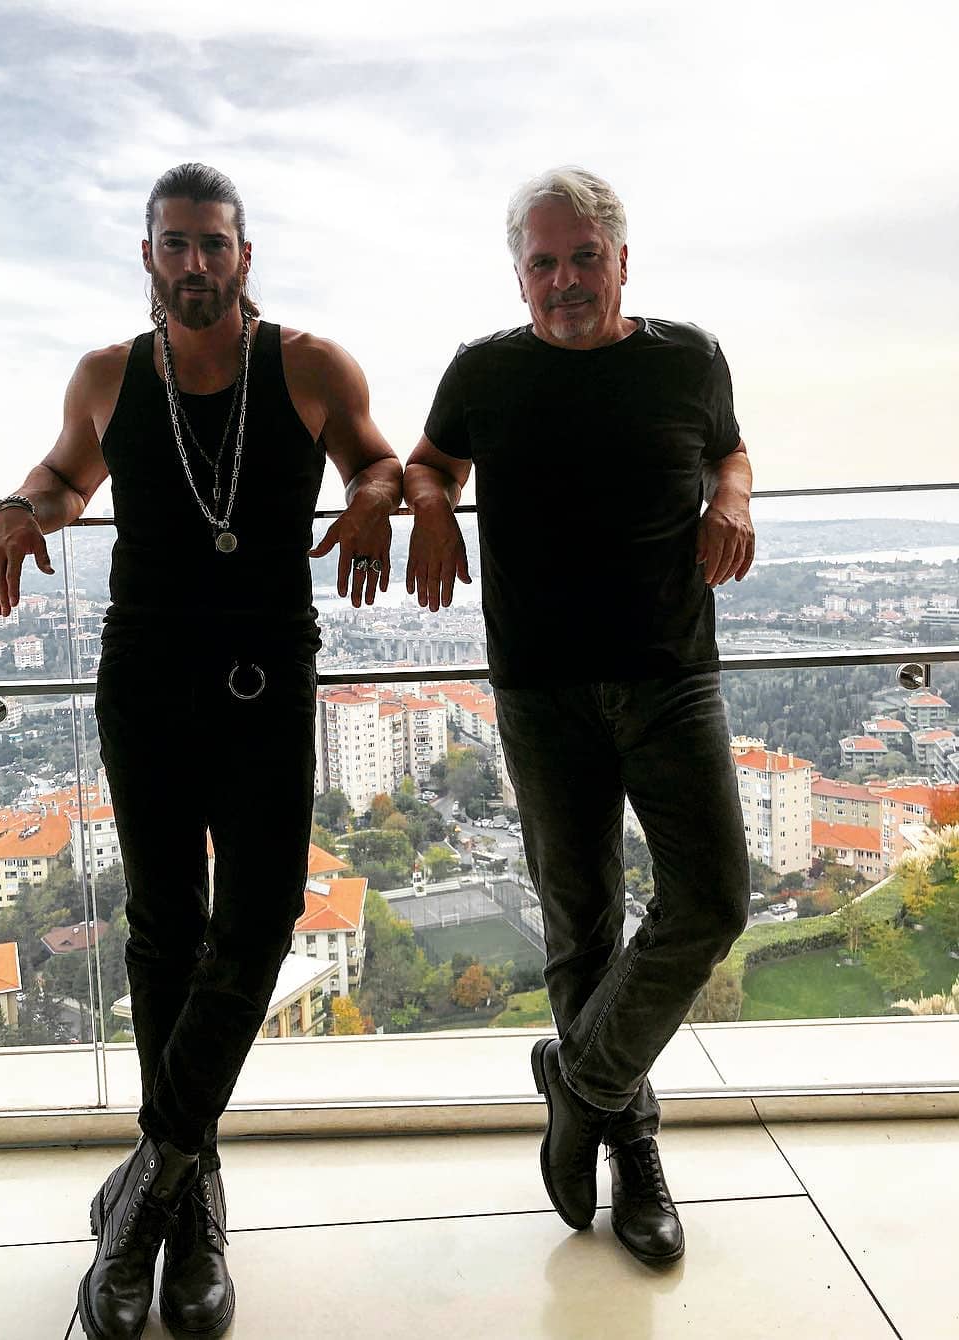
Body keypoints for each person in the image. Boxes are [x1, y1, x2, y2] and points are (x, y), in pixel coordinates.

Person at [0, 162, 402, 1340]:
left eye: (215, 242)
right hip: (148, 674)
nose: (196, 262)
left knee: (260, 919)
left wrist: (376, 495)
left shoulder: (310, 366)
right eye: (176, 243)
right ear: (149, 257)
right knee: (165, 924)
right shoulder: (108, 375)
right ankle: (192, 1193)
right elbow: (64, 477)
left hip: (267, 672)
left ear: (244, 256)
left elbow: (375, 458)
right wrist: (19, 507)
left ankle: (152, 1182)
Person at [404, 166, 754, 1266]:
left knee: (712, 897)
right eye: (544, 262)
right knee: (580, 923)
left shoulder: (688, 358)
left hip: (669, 671)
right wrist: (430, 507)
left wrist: (732, 496)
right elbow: (428, 461)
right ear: (520, 275)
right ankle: (632, 1140)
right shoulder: (484, 370)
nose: (564, 280)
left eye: (584, 257)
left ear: (623, 261)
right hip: (540, 684)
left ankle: (583, 1083)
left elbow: (728, 447)